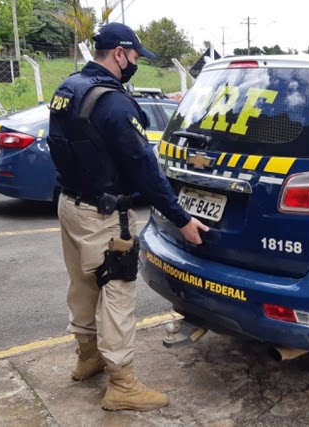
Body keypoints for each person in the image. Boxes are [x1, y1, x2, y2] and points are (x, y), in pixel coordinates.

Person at [47, 22, 209, 412]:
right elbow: (143, 168)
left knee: (83, 286)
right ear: (119, 53)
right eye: (135, 56)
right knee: (117, 294)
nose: (135, 63)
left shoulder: (68, 89)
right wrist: (181, 218)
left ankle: (88, 357)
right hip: (106, 216)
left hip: (71, 206)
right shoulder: (114, 103)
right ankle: (122, 383)